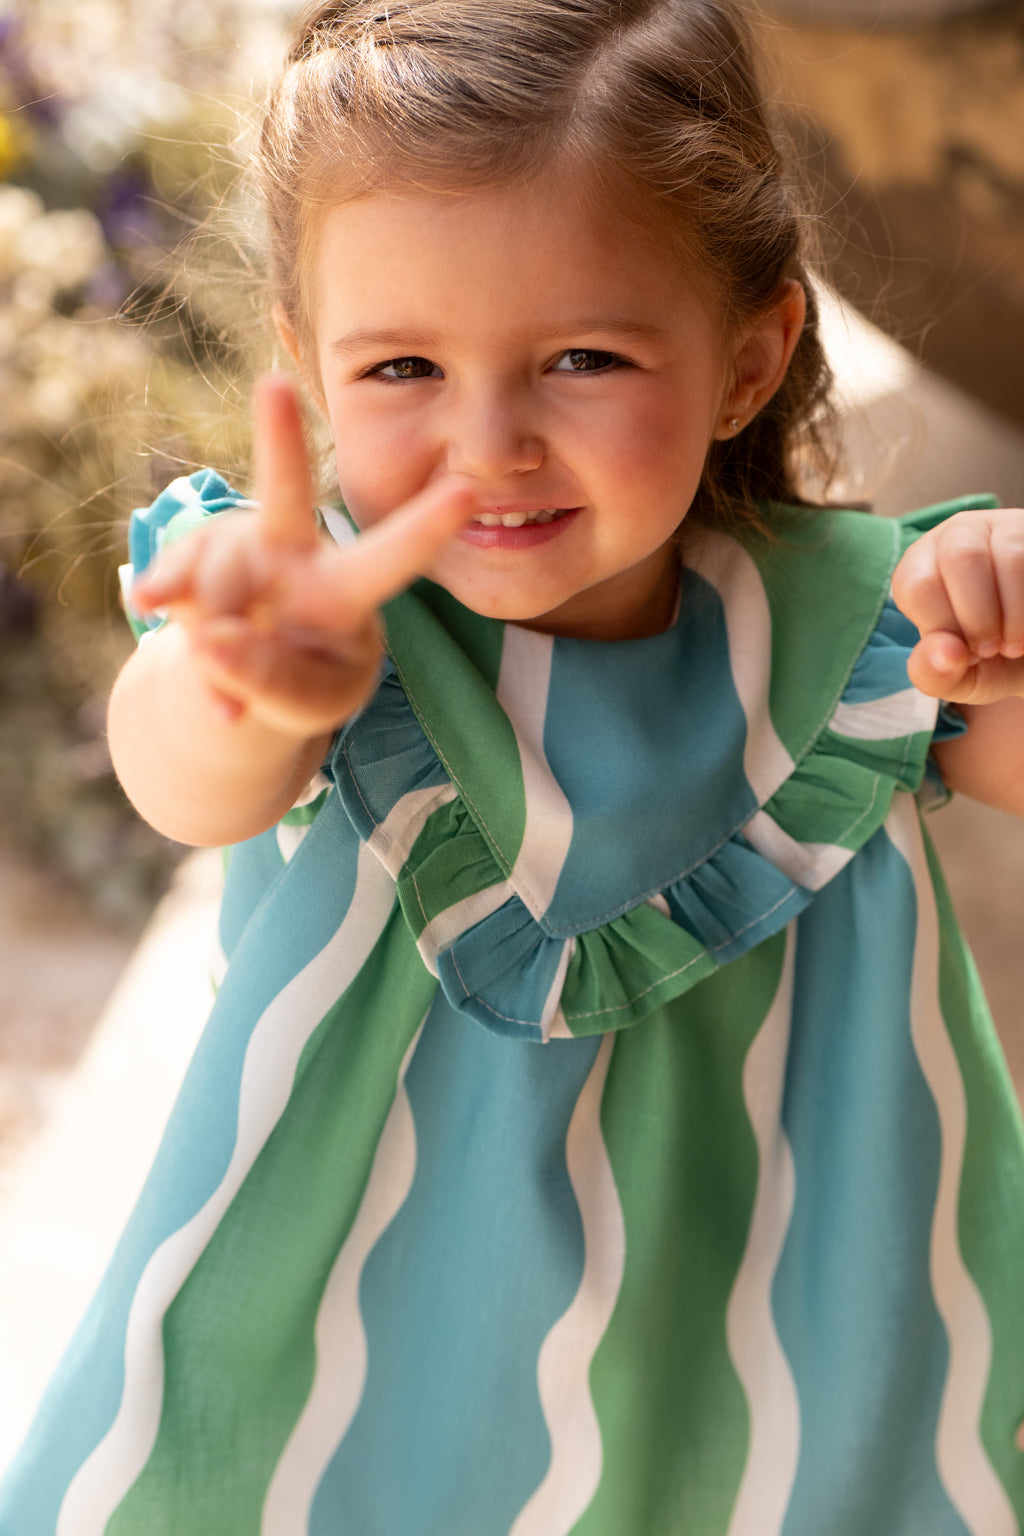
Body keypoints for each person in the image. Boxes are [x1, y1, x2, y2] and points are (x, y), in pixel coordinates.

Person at [3, 1, 1024, 1531]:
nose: (492, 443)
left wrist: (1005, 621)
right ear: (305, 364)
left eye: (584, 359)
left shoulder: (863, 624)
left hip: (790, 1333)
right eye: (403, 366)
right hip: (349, 1331)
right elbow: (186, 777)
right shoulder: (284, 594)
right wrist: (241, 681)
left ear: (749, 361)